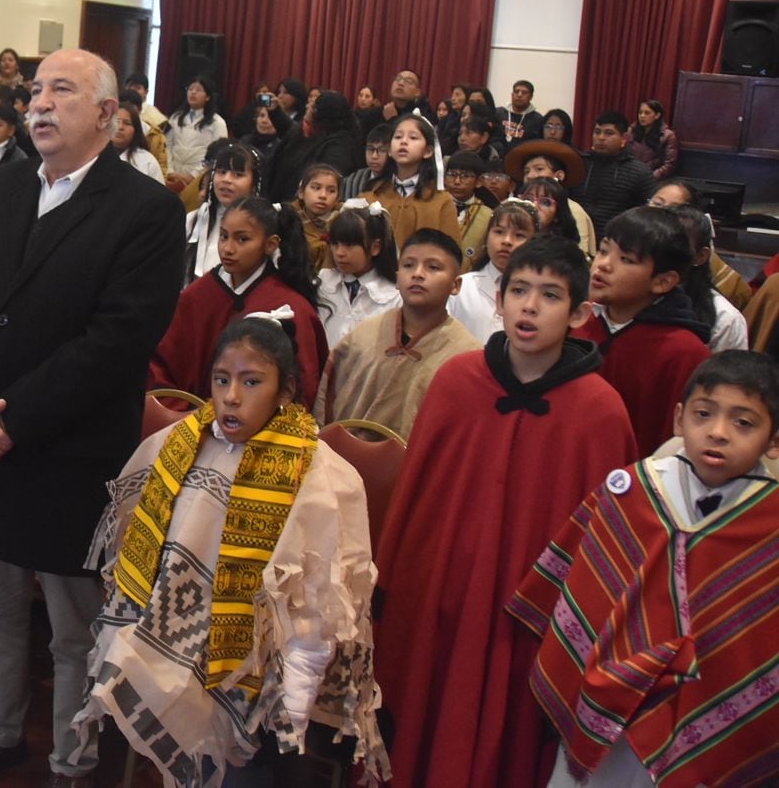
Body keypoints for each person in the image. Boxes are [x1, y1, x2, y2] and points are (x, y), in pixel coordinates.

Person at [0, 49, 184, 788]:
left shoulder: (147, 211)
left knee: (73, 628)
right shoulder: (0, 190)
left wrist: (16, 417)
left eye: (60, 91)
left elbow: (119, 338)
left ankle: (75, 764)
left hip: (70, 451)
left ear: (106, 114)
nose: (39, 104)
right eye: (35, 91)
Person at [73, 316, 387, 783]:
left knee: (246, 769)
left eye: (252, 382)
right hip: (175, 637)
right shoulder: (181, 443)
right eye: (222, 380)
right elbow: (140, 547)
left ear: (286, 392)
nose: (231, 397)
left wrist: (295, 706)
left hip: (261, 670)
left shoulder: (322, 478)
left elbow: (316, 608)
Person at [375, 236, 636, 788]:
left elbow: (608, 551)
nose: (530, 307)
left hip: (531, 624)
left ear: (581, 313)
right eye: (519, 290)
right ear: (498, 298)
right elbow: (414, 504)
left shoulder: (600, 413)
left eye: (549, 295)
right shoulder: (457, 382)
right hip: (442, 599)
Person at [510, 351, 779, 788]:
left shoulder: (770, 524)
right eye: (704, 414)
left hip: (706, 709)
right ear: (679, 419)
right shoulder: (633, 493)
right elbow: (586, 590)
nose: (718, 432)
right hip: (609, 712)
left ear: (773, 439)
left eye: (743, 423)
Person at [152, 196, 328, 409]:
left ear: (271, 244)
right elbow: (160, 367)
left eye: (242, 239)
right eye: (223, 236)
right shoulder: (197, 296)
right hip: (188, 424)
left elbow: (302, 387)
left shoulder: (289, 306)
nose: (228, 248)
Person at [574, 206, 712, 458]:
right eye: (604, 251)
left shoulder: (683, 352)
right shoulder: (577, 324)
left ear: (663, 282)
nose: (603, 265)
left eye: (626, 259)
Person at [316, 228, 478, 439]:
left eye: (433, 267)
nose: (418, 273)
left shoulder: (467, 355)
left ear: (455, 285)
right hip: (344, 464)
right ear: (397, 277)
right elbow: (326, 400)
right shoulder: (362, 336)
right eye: (409, 265)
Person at [650, 178, 752, 311]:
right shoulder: (631, 238)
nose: (662, 214)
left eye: (673, 209)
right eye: (657, 204)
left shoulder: (723, 311)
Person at [363, 114, 460, 251]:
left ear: (428, 151)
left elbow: (452, 254)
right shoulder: (370, 195)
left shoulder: (441, 202)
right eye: (398, 137)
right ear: (390, 150)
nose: (403, 142)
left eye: (413, 137)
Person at [448, 198, 539, 343]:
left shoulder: (538, 295)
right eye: (499, 232)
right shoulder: (462, 287)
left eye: (519, 235)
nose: (507, 241)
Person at [315, 200, 401, 349]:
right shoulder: (324, 281)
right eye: (335, 244)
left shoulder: (394, 294)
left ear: (375, 247)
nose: (339, 253)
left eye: (349, 245)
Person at [664, 202, 748, 352]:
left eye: (677, 244)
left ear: (701, 256)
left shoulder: (724, 318)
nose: (662, 250)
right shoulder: (627, 293)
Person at [263, 91, 361, 203]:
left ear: (324, 116)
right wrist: (275, 112)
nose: (307, 106)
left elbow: (324, 179)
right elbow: (289, 130)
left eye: (313, 107)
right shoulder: (312, 130)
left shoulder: (340, 147)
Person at [182, 142, 257, 283]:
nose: (226, 180)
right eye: (221, 172)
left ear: (254, 185)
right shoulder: (194, 219)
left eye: (238, 175)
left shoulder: (263, 226)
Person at [507, 139, 595, 256]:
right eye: (526, 171)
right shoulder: (514, 206)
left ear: (559, 176)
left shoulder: (574, 211)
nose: (530, 176)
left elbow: (580, 256)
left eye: (539, 169)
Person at [575, 111, 655, 234]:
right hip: (579, 237)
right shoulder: (579, 164)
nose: (601, 138)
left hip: (617, 241)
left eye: (609, 133)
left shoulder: (639, 172)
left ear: (623, 138)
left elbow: (648, 214)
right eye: (597, 132)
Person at [163, 76, 229, 187]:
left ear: (207, 96)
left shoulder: (217, 122)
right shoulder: (175, 117)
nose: (193, 93)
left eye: (198, 90)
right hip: (173, 174)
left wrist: (194, 175)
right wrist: (170, 171)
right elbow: (166, 145)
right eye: (190, 89)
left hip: (199, 177)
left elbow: (218, 153)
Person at [443, 150, 496, 266]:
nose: (457, 181)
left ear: (478, 181)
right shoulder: (435, 206)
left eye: (465, 176)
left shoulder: (487, 215)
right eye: (452, 174)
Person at [291, 162, 342, 272]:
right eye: (316, 188)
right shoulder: (288, 220)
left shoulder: (345, 221)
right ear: (301, 192)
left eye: (331, 191)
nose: (323, 195)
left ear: (338, 198)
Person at [355, 68, 424, 135]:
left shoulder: (420, 116)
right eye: (398, 79)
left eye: (409, 81)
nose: (400, 83)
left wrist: (392, 119)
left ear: (417, 92)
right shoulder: (375, 114)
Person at [625, 97, 679, 180]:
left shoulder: (668, 135)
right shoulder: (631, 131)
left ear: (657, 115)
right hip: (629, 175)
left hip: (651, 179)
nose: (642, 116)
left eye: (647, 113)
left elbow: (669, 164)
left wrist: (651, 177)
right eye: (640, 113)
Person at [110, 101, 162, 182]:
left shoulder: (148, 161)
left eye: (127, 123)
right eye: (116, 121)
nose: (120, 127)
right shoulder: (94, 155)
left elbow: (159, 193)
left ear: (136, 130)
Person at [340, 122, 391, 201]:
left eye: (382, 150)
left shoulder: (397, 182)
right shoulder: (352, 181)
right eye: (370, 149)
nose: (374, 156)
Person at [498, 79, 544, 147]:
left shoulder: (538, 119)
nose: (519, 95)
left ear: (531, 97)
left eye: (524, 92)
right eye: (516, 91)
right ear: (512, 94)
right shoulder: (498, 113)